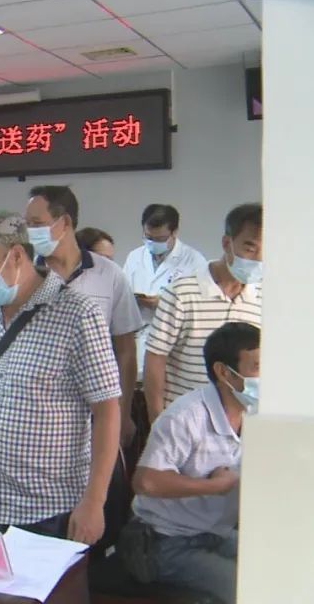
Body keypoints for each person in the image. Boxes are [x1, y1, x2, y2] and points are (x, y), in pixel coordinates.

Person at [0, 210, 121, 544]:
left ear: (16, 255)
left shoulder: (77, 315)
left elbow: (106, 410)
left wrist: (94, 501)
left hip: (48, 510)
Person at [119, 322, 257, 604]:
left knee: (271, 569)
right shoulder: (187, 415)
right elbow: (145, 481)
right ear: (224, 372)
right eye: (256, 367)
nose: (265, 377)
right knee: (244, 590)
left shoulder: (254, 413)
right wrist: (214, 487)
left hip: (214, 533)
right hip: (163, 541)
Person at [26, 186, 142, 445]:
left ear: (65, 222)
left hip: (96, 410)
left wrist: (123, 412)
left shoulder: (109, 274)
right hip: (37, 414)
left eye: (37, 223)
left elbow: (125, 350)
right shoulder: (25, 274)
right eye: (27, 224)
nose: (30, 231)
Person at [144, 203, 262, 422]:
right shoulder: (181, 293)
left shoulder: (265, 299)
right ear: (227, 243)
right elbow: (155, 359)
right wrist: (158, 420)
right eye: (250, 249)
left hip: (241, 424)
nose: (258, 259)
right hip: (186, 421)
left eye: (266, 251)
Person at [122, 204, 207, 374]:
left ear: (174, 232)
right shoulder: (135, 256)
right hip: (138, 336)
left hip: (174, 343)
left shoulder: (194, 261)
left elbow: (201, 306)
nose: (153, 243)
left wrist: (165, 304)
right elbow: (122, 294)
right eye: (148, 237)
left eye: (160, 239)